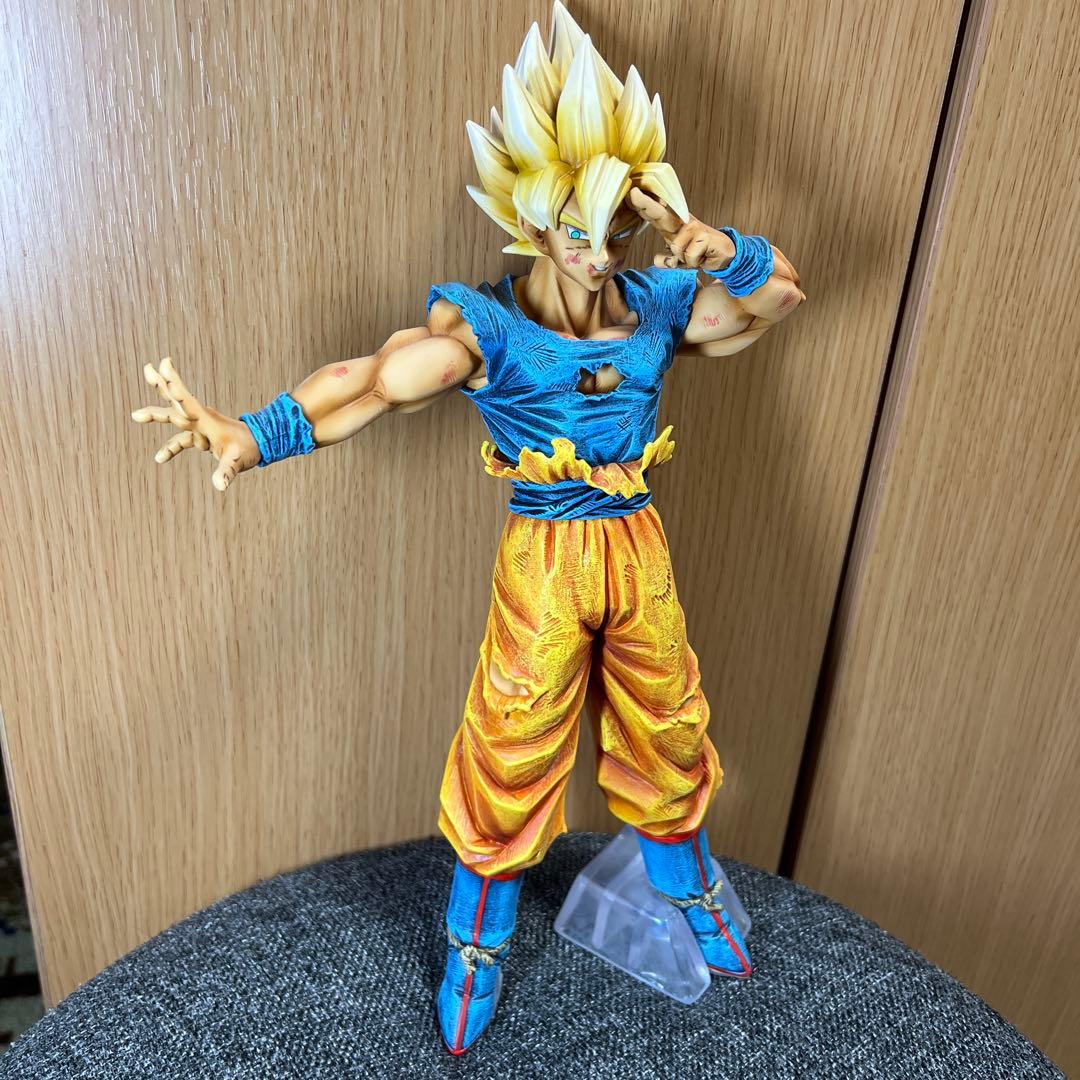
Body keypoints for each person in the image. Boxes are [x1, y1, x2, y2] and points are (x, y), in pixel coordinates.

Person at [131, 3, 803, 1055]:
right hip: (547, 561)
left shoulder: (662, 301)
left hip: (637, 548)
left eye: (616, 228)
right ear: (532, 217)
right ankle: (476, 942)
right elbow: (372, 381)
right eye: (577, 228)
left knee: (670, 721)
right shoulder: (487, 329)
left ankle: (689, 885)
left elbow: (775, 302)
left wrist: (728, 249)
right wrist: (255, 433)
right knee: (513, 740)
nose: (598, 253)